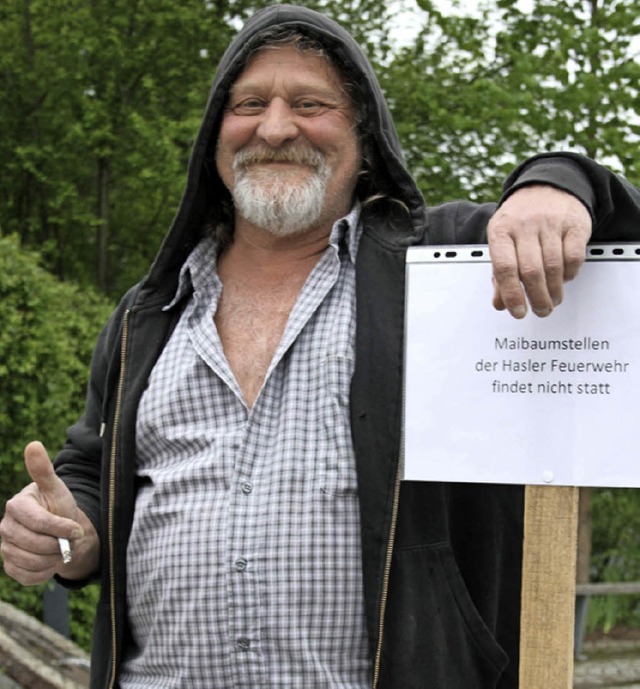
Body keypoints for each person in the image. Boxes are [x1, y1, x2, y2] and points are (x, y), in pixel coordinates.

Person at [2, 5, 639, 688]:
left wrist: (557, 183)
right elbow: (91, 474)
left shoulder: (443, 270)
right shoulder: (149, 312)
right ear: (216, 134)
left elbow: (611, 225)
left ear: (364, 135)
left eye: (310, 103)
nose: (275, 126)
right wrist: (71, 533)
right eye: (249, 104)